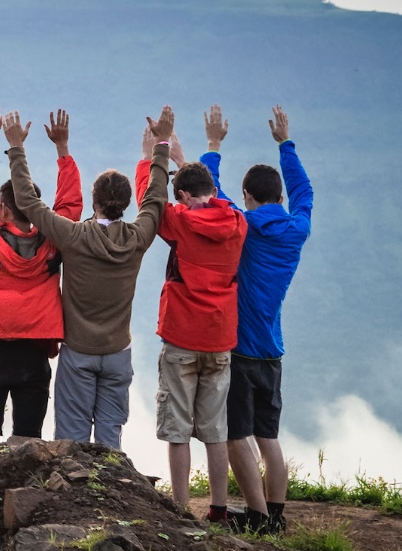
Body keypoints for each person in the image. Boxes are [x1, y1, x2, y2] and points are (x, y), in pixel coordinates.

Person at [8, 106, 174, 450]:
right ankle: (111, 497)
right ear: (128, 204)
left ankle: (75, 499)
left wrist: (17, 148)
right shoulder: (138, 237)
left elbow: (27, 201)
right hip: (118, 351)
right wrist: (161, 145)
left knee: (71, 440)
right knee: (110, 437)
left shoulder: (73, 236)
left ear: (94, 200)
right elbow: (156, 199)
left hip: (78, 349)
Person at [204, 105, 312, 534]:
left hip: (240, 350)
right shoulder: (297, 228)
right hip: (272, 352)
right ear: (280, 198)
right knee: (269, 438)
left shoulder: (242, 225)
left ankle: (256, 517)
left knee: (235, 437)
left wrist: (213, 145)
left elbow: (212, 194)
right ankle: (278, 516)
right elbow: (305, 191)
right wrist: (286, 143)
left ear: (248, 196)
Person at [0, 103, 83, 444]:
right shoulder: (54, 242)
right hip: (34, 354)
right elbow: (70, 206)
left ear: (7, 210)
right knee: (28, 440)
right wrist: (62, 149)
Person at [152, 105, 249, 512]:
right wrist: (191, 155)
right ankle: (219, 508)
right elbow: (218, 199)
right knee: (214, 429)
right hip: (220, 336)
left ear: (185, 197)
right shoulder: (239, 224)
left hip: (181, 337)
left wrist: (156, 151)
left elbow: (151, 202)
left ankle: (178, 507)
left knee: (177, 428)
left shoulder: (179, 221)